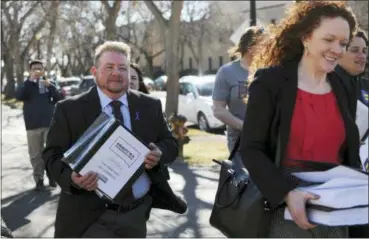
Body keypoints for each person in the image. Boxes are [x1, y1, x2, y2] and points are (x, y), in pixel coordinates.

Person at [239, 1, 361, 237]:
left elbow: (349, 151)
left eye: (343, 43)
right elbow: (251, 149)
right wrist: (287, 193)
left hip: (338, 210)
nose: (337, 49)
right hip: (287, 208)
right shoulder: (270, 83)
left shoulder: (344, 84)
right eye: (328, 40)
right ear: (306, 37)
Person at [42, 41, 186, 238]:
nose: (116, 72)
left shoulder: (149, 105)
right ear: (94, 71)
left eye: (122, 68)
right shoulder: (69, 109)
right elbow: (52, 155)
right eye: (109, 67)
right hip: (88, 216)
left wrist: (159, 154)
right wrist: (72, 179)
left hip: (135, 214)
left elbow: (170, 144)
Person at [336, 29, 369, 238]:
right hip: (341, 179)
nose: (362, 55)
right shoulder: (328, 84)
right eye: (355, 50)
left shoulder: (363, 85)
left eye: (365, 50)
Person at [212, 26, 264, 152]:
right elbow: (218, 109)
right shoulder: (227, 72)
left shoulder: (270, 71)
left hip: (268, 142)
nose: (269, 48)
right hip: (240, 143)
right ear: (251, 48)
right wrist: (244, 126)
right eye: (264, 45)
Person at [16, 60, 61, 190]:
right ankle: (39, 180)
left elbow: (59, 99)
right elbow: (19, 96)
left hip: (49, 124)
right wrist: (30, 80)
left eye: (39, 69)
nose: (37, 71)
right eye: (34, 69)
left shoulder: (49, 84)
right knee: (35, 155)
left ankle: (52, 178)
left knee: (51, 152)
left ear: (43, 70)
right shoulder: (26, 85)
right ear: (30, 71)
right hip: (32, 125)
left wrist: (50, 87)